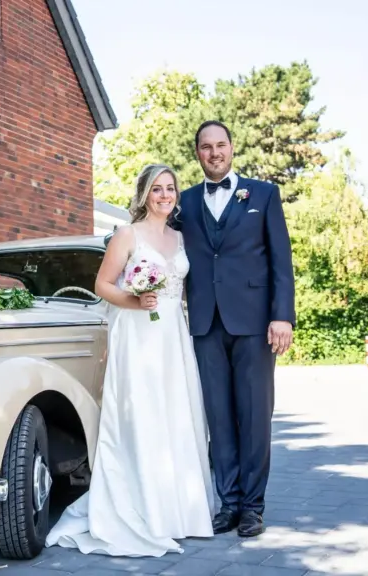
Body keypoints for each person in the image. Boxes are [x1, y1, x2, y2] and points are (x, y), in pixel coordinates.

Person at [44, 164, 217, 557]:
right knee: (142, 415)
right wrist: (134, 300)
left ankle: (179, 512)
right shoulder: (127, 235)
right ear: (144, 194)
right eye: (157, 189)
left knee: (176, 414)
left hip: (172, 336)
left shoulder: (181, 237)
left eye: (170, 188)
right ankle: (142, 512)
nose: (165, 195)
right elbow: (103, 285)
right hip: (138, 337)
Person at [177, 120, 296, 538]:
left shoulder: (263, 194)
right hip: (205, 324)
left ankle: (252, 507)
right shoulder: (185, 203)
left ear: (232, 148)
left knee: (254, 415)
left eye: (221, 145)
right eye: (206, 147)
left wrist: (283, 316)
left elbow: (281, 261)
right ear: (198, 153)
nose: (214, 153)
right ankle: (227, 503)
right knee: (218, 417)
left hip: (255, 324)